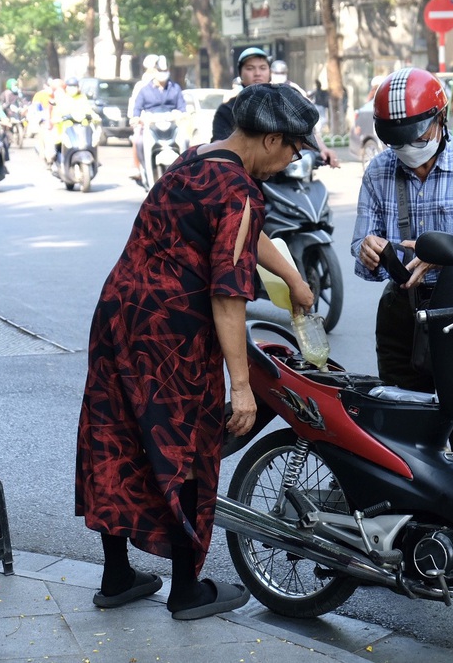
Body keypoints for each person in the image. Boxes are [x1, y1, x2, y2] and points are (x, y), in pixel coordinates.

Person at [75, 83, 320, 620]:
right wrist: (241, 387)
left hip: (119, 315)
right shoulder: (239, 190)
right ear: (272, 138)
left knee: (117, 438)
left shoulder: (197, 159)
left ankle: (117, 577)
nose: (291, 160)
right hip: (172, 335)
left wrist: (292, 277)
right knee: (184, 445)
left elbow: (245, 237)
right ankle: (187, 590)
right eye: (294, 149)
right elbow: (228, 295)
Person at [350, 67, 453, 456]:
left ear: (441, 118)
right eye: (396, 142)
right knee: (405, 438)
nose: (406, 149)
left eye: (416, 137)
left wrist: (443, 259)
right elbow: (359, 244)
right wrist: (367, 248)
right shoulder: (378, 171)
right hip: (402, 313)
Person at [212, 49, 339, 168]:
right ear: (240, 73)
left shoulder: (284, 103)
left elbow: (305, 133)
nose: (257, 73)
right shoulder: (227, 110)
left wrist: (323, 149)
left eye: (263, 68)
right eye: (250, 68)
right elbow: (220, 146)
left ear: (270, 72)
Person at [131, 57, 186, 178]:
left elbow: (182, 107)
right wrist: (136, 118)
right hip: (150, 126)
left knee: (186, 141)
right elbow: (137, 108)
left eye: (165, 70)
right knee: (138, 141)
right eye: (160, 70)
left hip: (172, 127)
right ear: (154, 71)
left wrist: (182, 115)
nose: (163, 74)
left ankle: (188, 172)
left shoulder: (175, 88)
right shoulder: (144, 90)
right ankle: (143, 170)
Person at [128, 54, 160, 178]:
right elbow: (134, 104)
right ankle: (137, 166)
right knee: (137, 140)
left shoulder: (168, 86)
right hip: (145, 122)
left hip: (164, 122)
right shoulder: (141, 85)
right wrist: (135, 118)